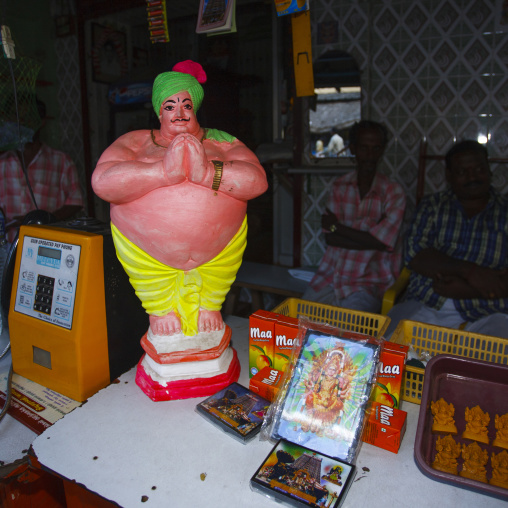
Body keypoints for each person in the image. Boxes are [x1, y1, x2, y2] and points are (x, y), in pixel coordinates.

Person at [92, 60, 268, 337]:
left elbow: (257, 180)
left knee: (214, 295)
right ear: (158, 110)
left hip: (220, 251)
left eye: (186, 105)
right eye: (170, 106)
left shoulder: (223, 140)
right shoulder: (135, 141)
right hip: (147, 255)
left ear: (195, 107)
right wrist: (161, 173)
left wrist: (209, 172)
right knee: (157, 301)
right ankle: (160, 308)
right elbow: (103, 181)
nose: (180, 113)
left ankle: (210, 304)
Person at [385, 140, 508, 337]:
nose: (472, 177)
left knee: (496, 362)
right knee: (387, 351)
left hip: (488, 311)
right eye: (462, 172)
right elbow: (415, 254)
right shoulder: (432, 206)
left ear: (489, 171)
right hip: (428, 302)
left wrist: (468, 289)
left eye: (479, 169)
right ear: (449, 176)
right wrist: (471, 271)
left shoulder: (504, 210)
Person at [303, 120, 406, 313]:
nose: (370, 155)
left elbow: (383, 242)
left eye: (376, 148)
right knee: (298, 322)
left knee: (351, 336)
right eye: (364, 148)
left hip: (369, 283)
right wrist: (371, 238)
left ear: (382, 150)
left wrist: (338, 228)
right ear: (353, 149)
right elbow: (330, 237)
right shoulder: (339, 186)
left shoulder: (393, 192)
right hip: (330, 277)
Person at [0, 100, 84, 242]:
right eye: (17, 118)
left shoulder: (61, 161)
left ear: (42, 121)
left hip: (47, 245)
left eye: (27, 118)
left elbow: (75, 202)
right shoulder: (2, 162)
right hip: (8, 246)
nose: (22, 123)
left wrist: (42, 220)